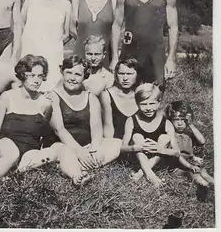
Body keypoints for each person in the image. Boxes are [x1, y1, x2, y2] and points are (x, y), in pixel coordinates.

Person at [0, 55, 57, 198]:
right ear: (22, 75)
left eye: (40, 76)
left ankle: (15, 172)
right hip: (6, 144)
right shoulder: (7, 97)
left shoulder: (45, 102)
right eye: (31, 75)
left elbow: (44, 132)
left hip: (30, 149)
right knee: (12, 154)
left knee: (51, 154)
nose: (36, 80)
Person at [110, 0, 179, 87]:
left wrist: (171, 59)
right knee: (127, 97)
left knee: (154, 99)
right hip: (129, 54)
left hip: (156, 56)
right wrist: (115, 57)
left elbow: (173, 28)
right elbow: (116, 25)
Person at [47, 55, 121, 185]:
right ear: (62, 73)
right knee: (65, 152)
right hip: (62, 144)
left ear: (84, 76)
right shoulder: (54, 96)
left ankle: (71, 165)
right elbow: (59, 130)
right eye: (68, 72)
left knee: (118, 144)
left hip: (86, 147)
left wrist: (94, 148)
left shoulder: (90, 97)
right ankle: (77, 175)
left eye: (77, 74)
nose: (72, 78)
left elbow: (97, 128)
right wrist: (79, 151)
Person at [20, 0, 71, 91]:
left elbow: (67, 33)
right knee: (28, 83)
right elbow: (20, 22)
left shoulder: (65, 4)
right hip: (30, 50)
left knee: (50, 87)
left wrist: (54, 45)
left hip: (52, 54)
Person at [121, 83, 180, 187]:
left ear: (158, 103)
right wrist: (135, 147)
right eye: (143, 104)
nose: (148, 108)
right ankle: (149, 174)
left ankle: (141, 173)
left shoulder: (166, 123)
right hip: (137, 159)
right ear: (137, 103)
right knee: (137, 136)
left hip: (158, 161)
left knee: (164, 138)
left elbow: (177, 152)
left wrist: (160, 149)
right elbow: (122, 148)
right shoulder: (131, 120)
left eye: (152, 103)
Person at [70, 0, 116, 68]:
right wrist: (88, 46)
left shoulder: (113, 1)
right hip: (81, 53)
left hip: (104, 56)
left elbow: (116, 32)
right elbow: (72, 29)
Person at [166, 101, 214, 187]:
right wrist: (190, 165)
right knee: (190, 173)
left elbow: (202, 141)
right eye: (176, 120)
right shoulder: (170, 135)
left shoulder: (188, 134)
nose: (180, 123)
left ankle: (214, 184)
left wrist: (190, 124)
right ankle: (204, 185)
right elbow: (176, 154)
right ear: (170, 120)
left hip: (189, 162)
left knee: (203, 171)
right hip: (176, 166)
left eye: (183, 120)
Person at [100, 57, 140, 140]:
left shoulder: (141, 94)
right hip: (117, 143)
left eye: (129, 74)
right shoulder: (107, 95)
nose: (125, 78)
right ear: (116, 75)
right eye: (121, 73)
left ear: (137, 75)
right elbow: (108, 127)